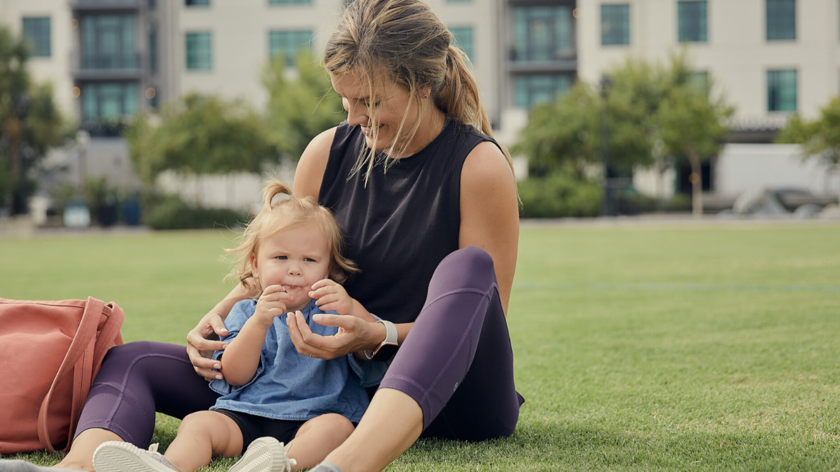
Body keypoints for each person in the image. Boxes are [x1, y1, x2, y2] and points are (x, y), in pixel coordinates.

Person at [0, 0, 521, 470]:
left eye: (371, 101)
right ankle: (75, 471)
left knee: (468, 269)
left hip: (450, 400)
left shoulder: (477, 166)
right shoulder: (326, 154)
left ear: (423, 85)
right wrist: (223, 312)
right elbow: (288, 252)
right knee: (131, 359)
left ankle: (344, 467)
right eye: (346, 102)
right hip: (309, 382)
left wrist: (377, 333)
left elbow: (476, 317)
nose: (356, 119)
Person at [91, 181, 382, 472]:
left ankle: (278, 464)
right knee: (199, 422)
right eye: (281, 257)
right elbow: (235, 374)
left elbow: (370, 342)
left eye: (309, 260)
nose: (294, 269)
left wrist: (350, 307)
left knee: (337, 428)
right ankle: (169, 465)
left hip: (315, 416)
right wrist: (258, 324)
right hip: (246, 415)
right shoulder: (246, 311)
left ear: (328, 268)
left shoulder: (334, 310)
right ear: (256, 265)